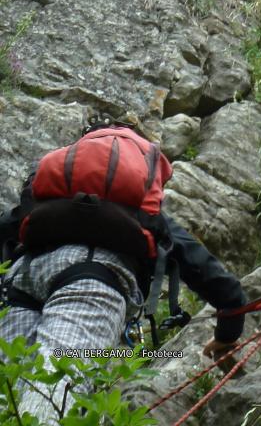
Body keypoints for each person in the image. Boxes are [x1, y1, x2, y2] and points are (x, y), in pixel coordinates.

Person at [0, 123, 247, 424]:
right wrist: (227, 334)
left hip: (21, 282)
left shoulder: (51, 197)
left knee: (8, 394)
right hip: (93, 284)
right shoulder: (141, 212)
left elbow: (7, 227)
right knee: (54, 393)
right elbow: (211, 276)